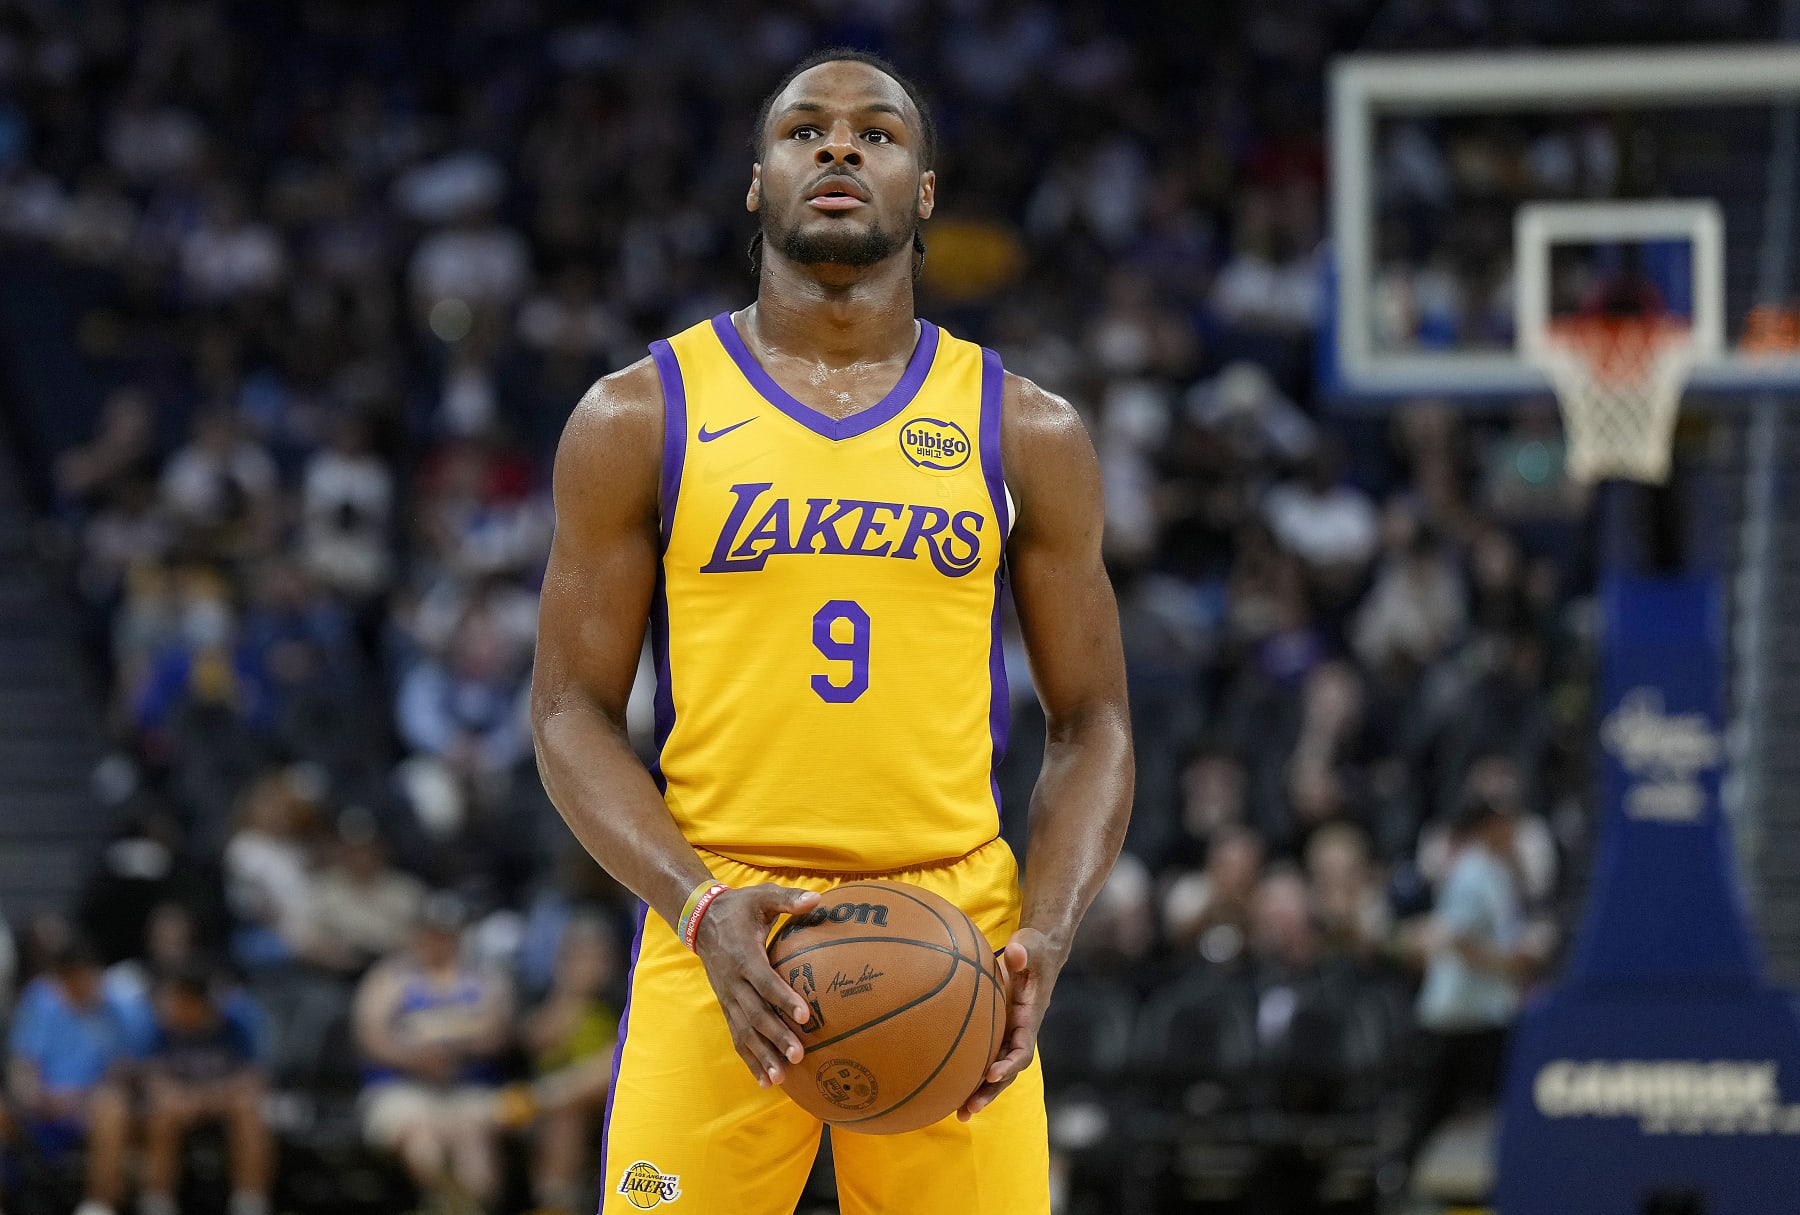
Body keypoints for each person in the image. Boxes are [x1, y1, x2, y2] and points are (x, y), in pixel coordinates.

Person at [529, 48, 1133, 1215]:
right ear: (757, 184)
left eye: (878, 132)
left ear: (926, 190)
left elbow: (1094, 720)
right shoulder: (637, 414)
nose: (841, 147)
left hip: (955, 936)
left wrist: (1045, 937)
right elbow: (567, 714)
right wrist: (696, 907)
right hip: (718, 929)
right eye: (805, 131)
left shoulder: (1028, 429)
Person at [352, 894, 515, 1215]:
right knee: (422, 1132)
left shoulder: (483, 977)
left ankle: (474, 1206)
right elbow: (370, 1038)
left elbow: (497, 1035)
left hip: (468, 1086)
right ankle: (444, 1202)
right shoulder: (391, 976)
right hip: (401, 1086)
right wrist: (417, 1058)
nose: (437, 941)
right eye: (430, 933)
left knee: (473, 1131)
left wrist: (448, 1047)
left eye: (445, 934)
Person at [1406, 796, 1544, 1168]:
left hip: (1482, 1014)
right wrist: (1508, 964)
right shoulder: (1472, 873)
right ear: (1488, 829)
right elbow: (1458, 940)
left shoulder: (1496, 872)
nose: (1513, 832)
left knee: (1476, 1102)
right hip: (1459, 1015)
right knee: (1437, 1106)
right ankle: (1398, 1174)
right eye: (1505, 824)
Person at [5, 939, 137, 1215]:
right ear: (64, 976)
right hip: (44, 1104)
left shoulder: (115, 1006)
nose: (88, 983)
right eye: (80, 977)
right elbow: (22, 1065)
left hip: (91, 1104)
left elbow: (125, 1069)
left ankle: (98, 1205)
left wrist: (84, 1095)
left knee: (112, 1106)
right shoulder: (40, 998)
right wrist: (35, 1096)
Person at [137, 962, 274, 1215]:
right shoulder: (161, 1027)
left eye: (177, 999)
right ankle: (157, 1202)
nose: (170, 1005)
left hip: (225, 1103)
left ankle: (250, 1202)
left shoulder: (235, 1023)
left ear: (196, 1001)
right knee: (162, 1112)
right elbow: (151, 1077)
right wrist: (180, 1097)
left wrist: (209, 1098)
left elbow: (256, 1077)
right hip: (179, 1105)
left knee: (249, 1109)